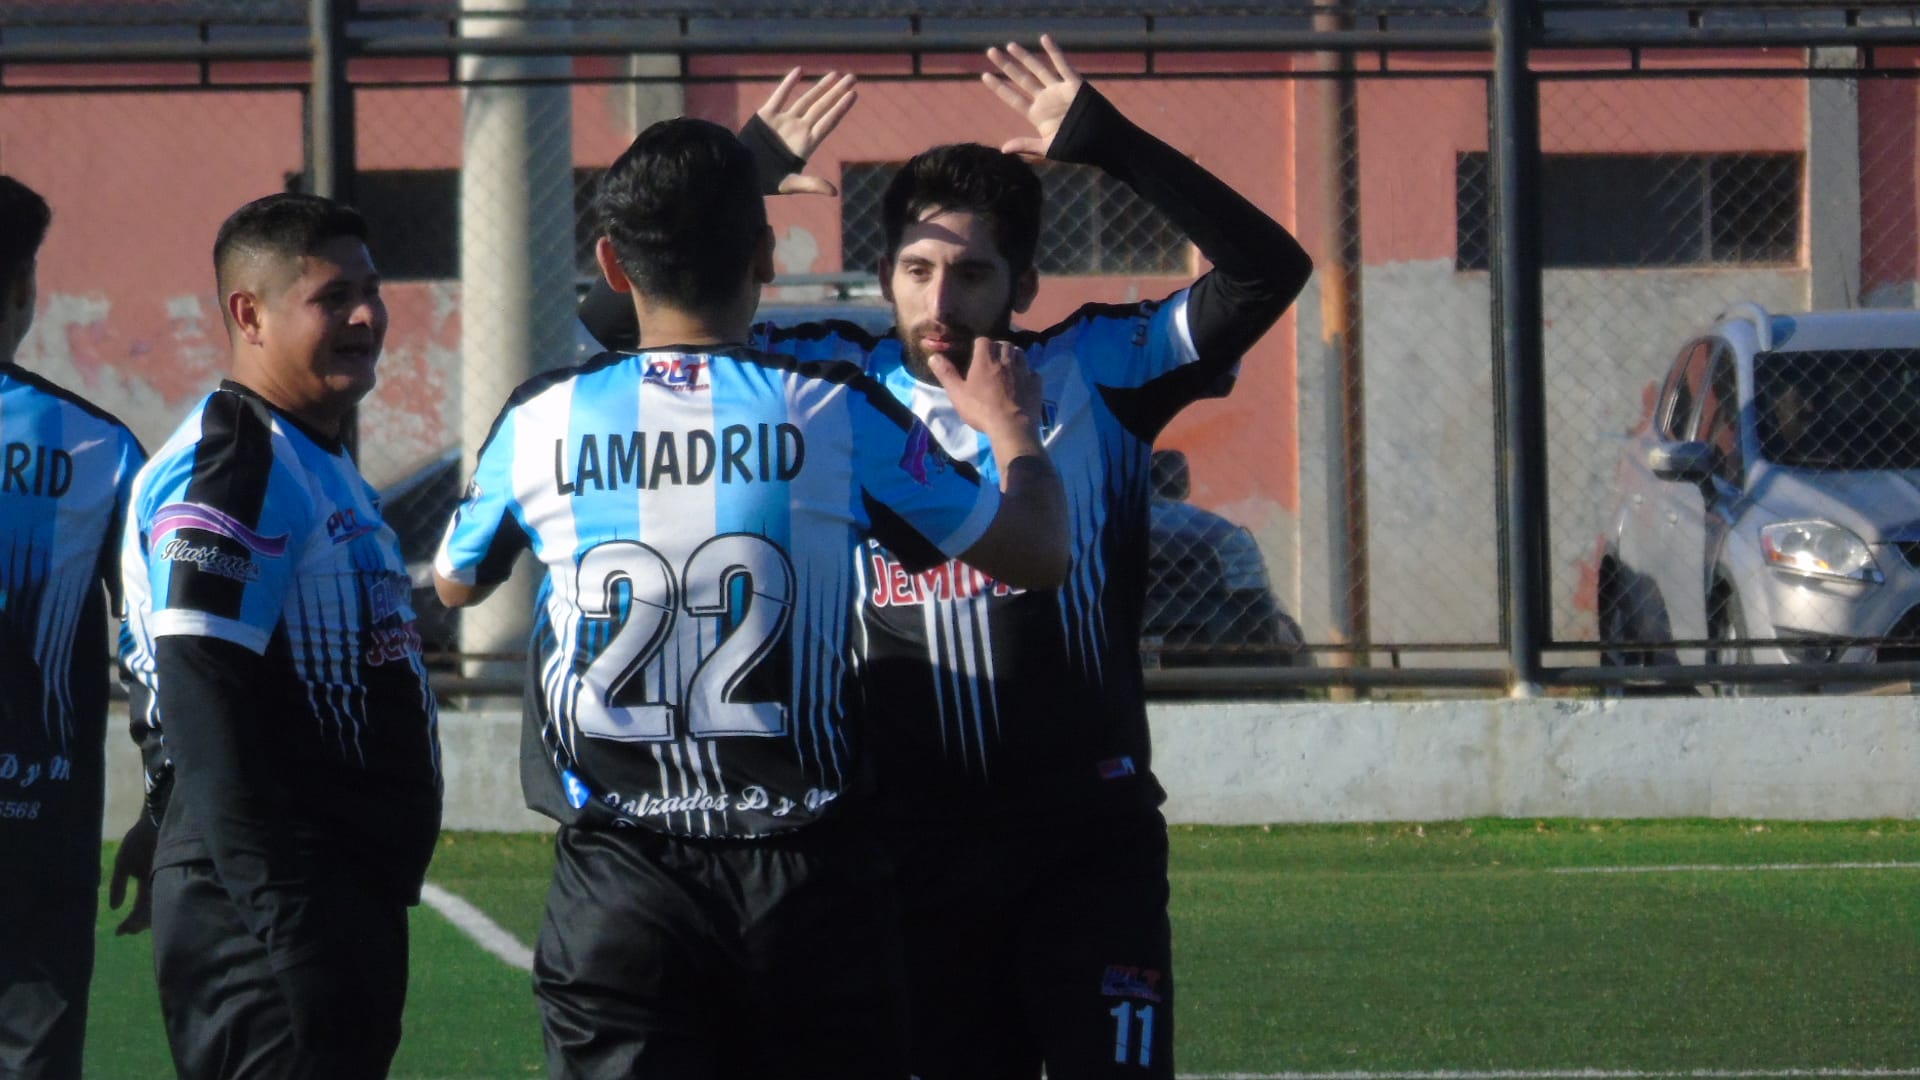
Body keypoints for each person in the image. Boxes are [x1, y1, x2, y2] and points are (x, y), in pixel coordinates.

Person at [725, 36, 1312, 1079]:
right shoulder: (823, 376)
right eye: (915, 270)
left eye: (970, 273)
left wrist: (1110, 145)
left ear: (1024, 282)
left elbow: (1272, 269)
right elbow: (620, 311)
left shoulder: (1101, 365)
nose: (939, 302)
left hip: (1087, 843)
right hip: (903, 847)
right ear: (883, 273)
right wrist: (750, 166)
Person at [433, 116, 1068, 1079]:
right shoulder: (833, 409)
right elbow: (1039, 554)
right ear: (767, 254)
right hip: (806, 881)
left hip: (621, 881)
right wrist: (1014, 432)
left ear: (611, 261)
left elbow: (456, 578)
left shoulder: (539, 420)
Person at [120, 192, 441, 1079]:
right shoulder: (238, 462)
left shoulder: (309, 453)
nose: (366, 315)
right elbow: (200, 687)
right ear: (248, 313)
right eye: (333, 297)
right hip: (275, 912)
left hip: (318, 895)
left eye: (372, 290)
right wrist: (292, 927)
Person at [0, 176, 147, 1079]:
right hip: (38, 817)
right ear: (24, 289)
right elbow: (157, 646)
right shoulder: (97, 447)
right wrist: (168, 800)